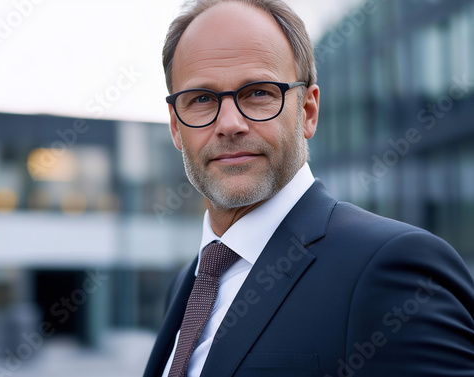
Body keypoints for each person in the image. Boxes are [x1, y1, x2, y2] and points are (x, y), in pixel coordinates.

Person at [144, 0, 474, 376]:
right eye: (202, 99)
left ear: (308, 111)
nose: (230, 124)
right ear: (175, 126)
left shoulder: (391, 267)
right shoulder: (190, 284)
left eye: (258, 93)